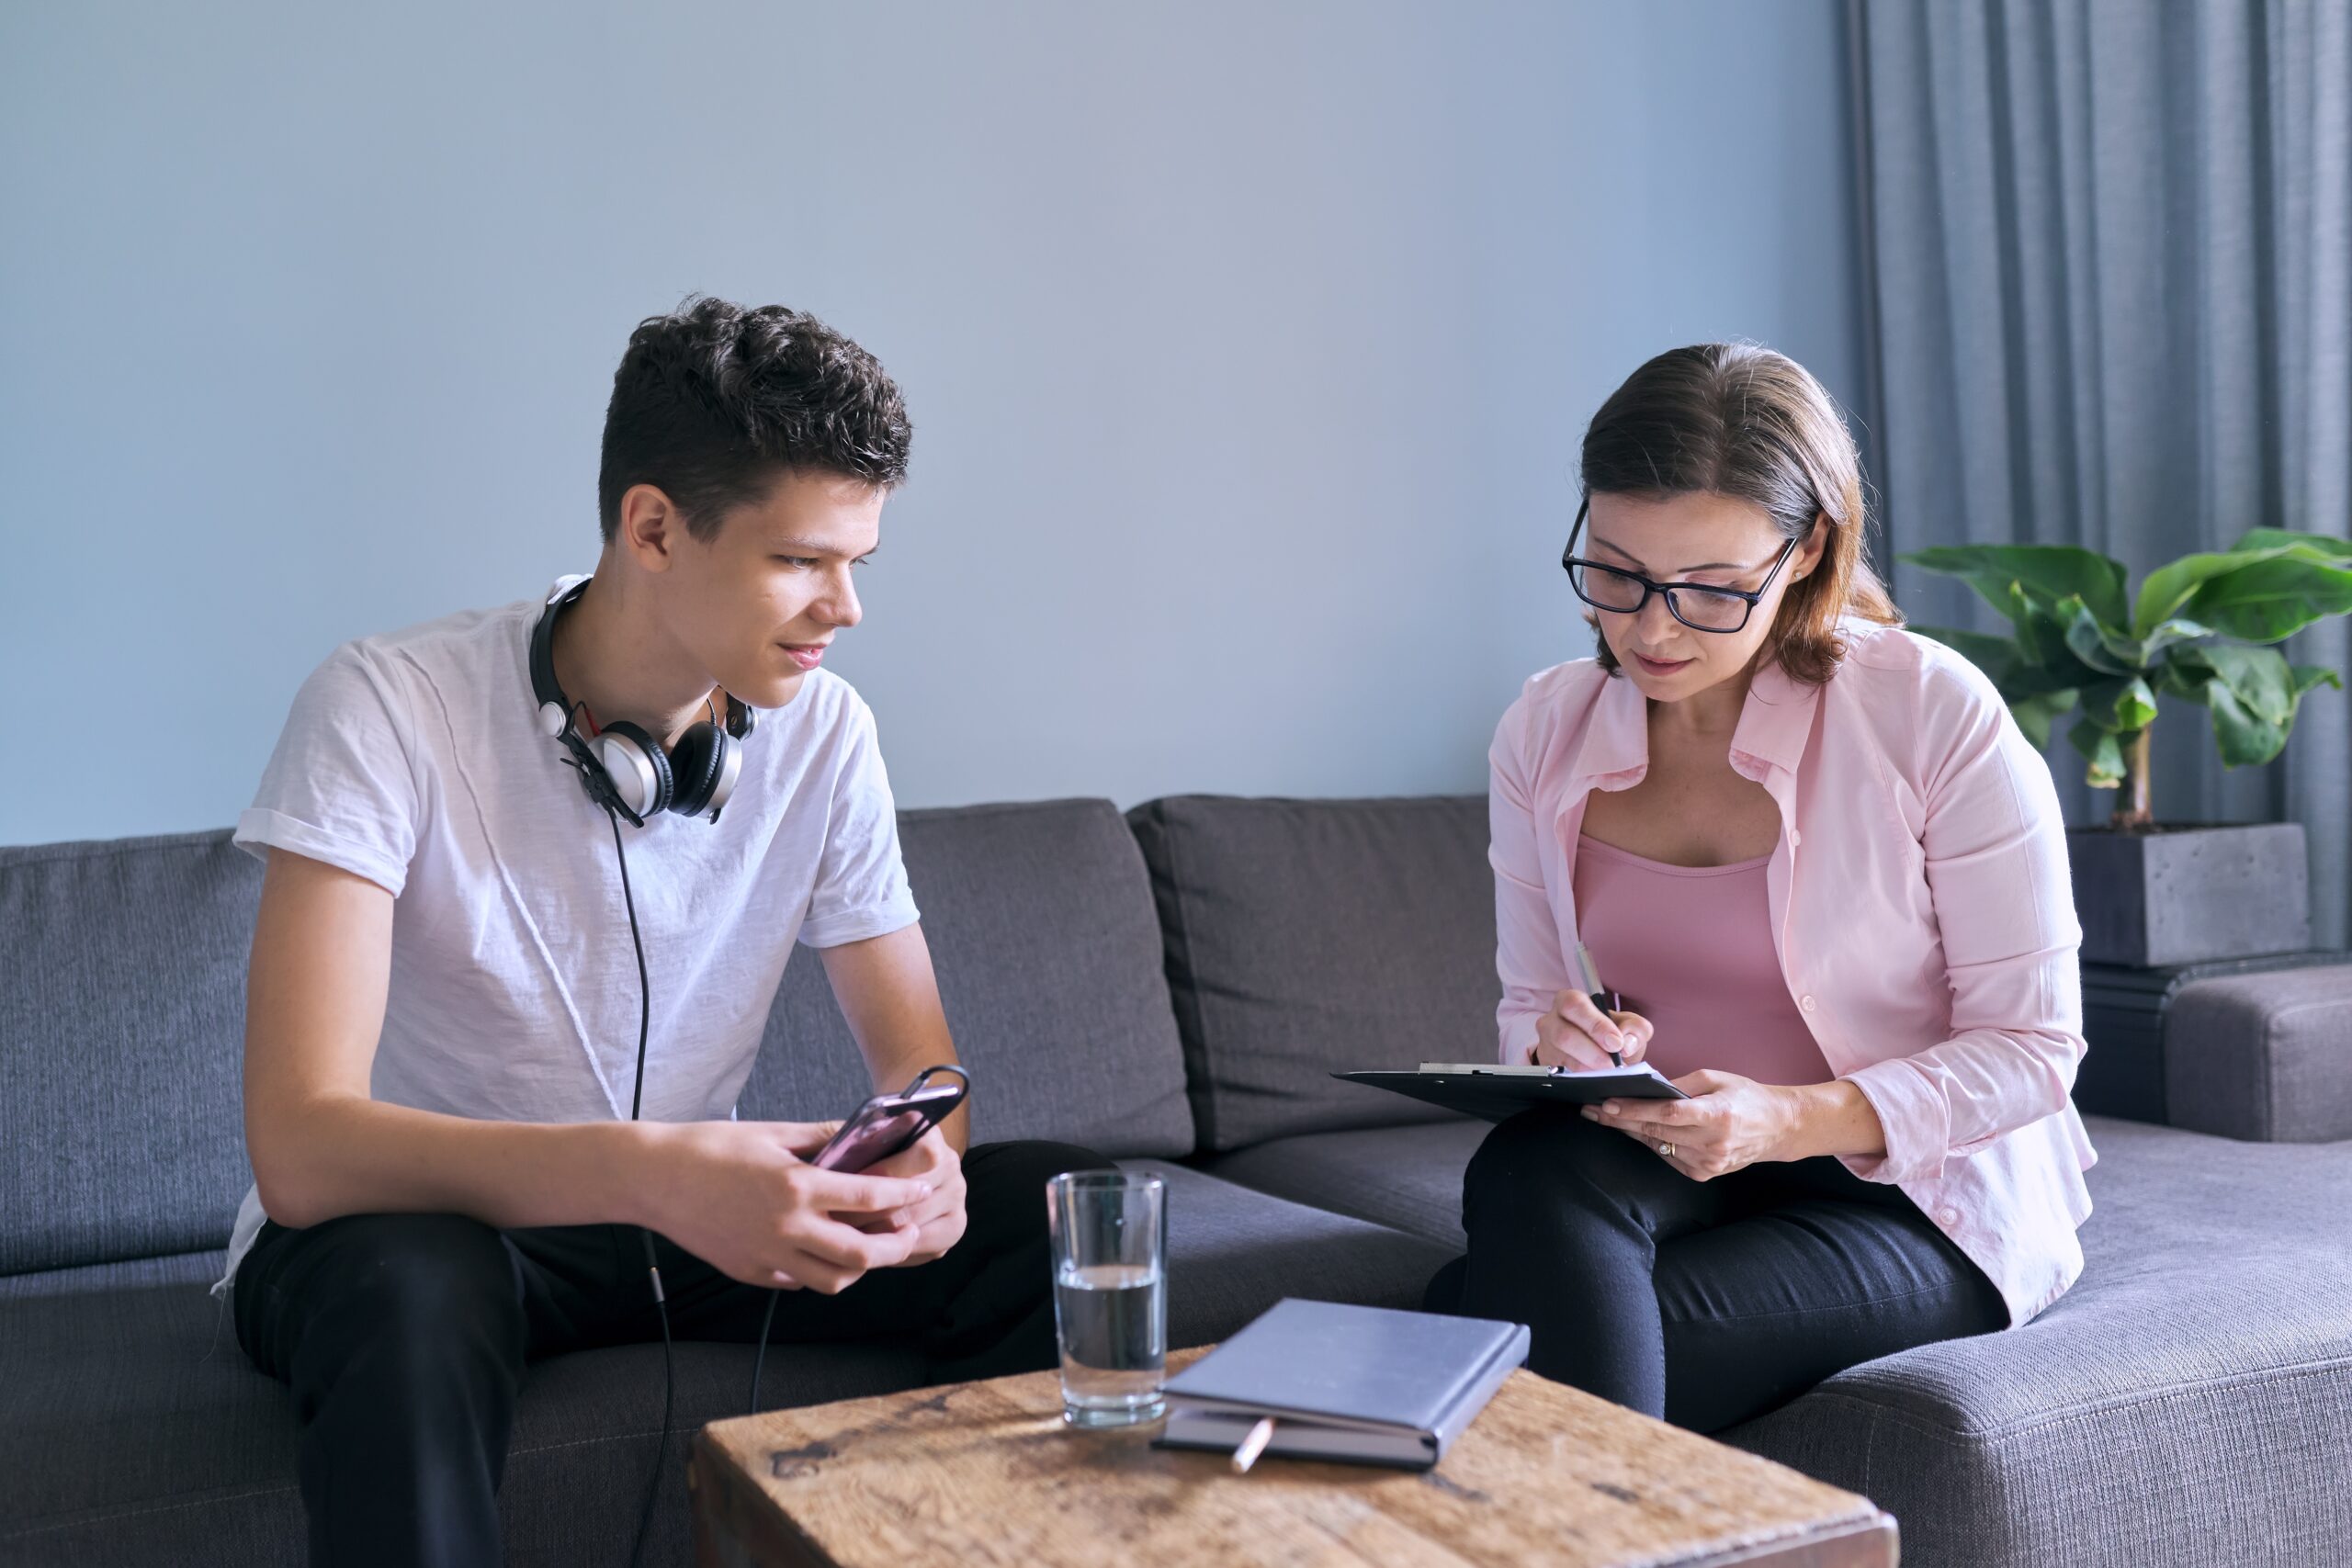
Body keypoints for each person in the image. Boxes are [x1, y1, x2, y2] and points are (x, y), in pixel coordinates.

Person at [220, 296, 1112, 1566]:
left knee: (1049, 1204)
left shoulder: (829, 734)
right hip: (423, 1230)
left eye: (859, 561)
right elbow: (303, 1147)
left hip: (678, 1220)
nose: (845, 606)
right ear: (652, 527)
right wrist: (663, 1169)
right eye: (803, 559)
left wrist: (915, 1174)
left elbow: (924, 1076)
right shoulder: (385, 705)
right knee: (408, 1283)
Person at [1425, 342, 2096, 1433]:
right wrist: (1561, 1048)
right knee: (1527, 1163)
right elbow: (1527, 1011)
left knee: (1472, 1333)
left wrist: (1785, 1119)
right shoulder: (1543, 731)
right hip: (1680, 1152)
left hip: (1912, 1195)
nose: (1649, 628)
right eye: (1614, 571)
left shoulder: (1927, 710)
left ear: (1806, 551)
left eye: (1710, 591)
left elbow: (2032, 1049)